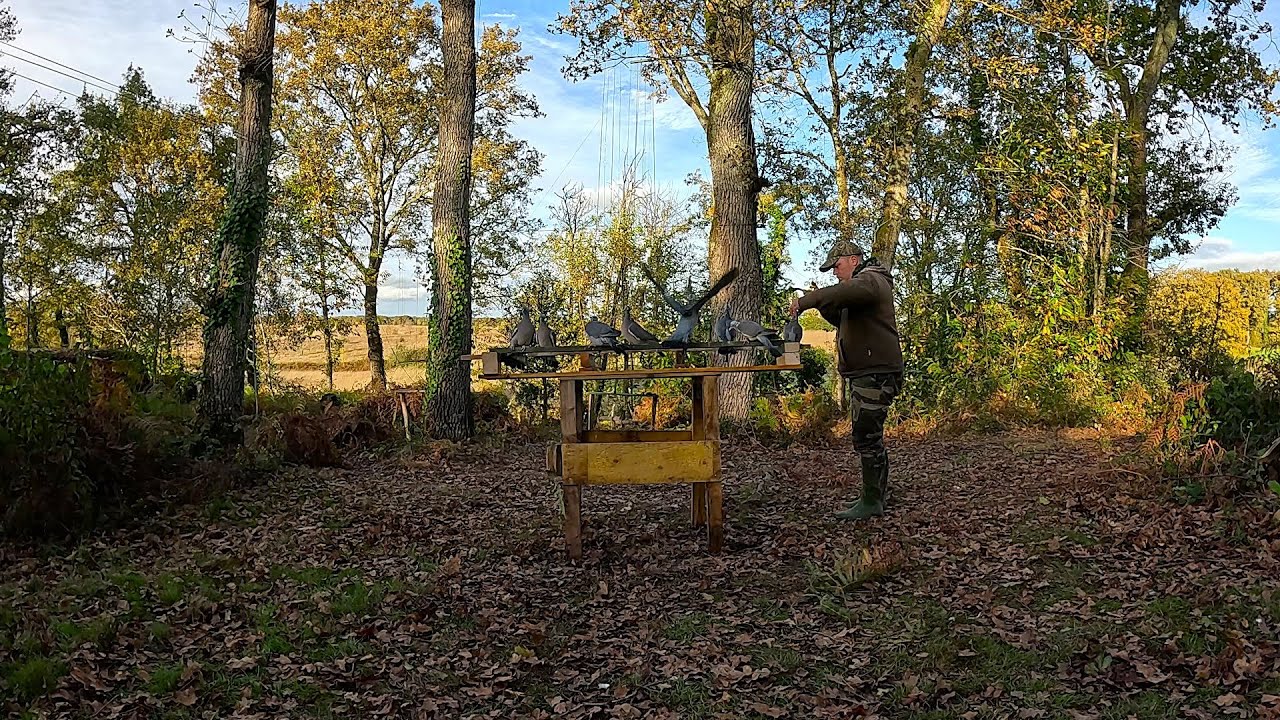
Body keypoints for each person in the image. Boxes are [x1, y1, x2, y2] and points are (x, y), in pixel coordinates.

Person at [790, 239, 904, 520]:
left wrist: (808, 300)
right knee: (870, 436)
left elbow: (849, 291)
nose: (834, 272)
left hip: (875, 373)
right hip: (868, 372)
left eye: (836, 265)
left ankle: (871, 501)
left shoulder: (872, 280)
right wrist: (824, 307)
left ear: (853, 259)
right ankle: (875, 494)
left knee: (866, 436)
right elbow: (844, 319)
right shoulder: (862, 291)